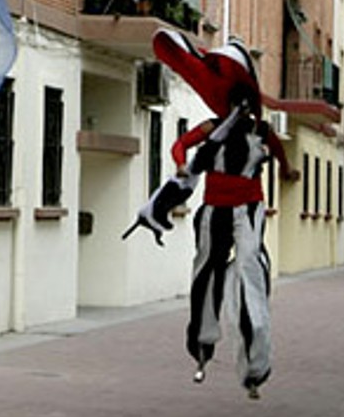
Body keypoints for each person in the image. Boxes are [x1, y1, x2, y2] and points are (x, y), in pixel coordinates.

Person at [124, 34, 296, 397]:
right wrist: (181, 164)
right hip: (215, 209)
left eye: (245, 104)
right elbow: (179, 144)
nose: (241, 109)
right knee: (207, 270)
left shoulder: (261, 131)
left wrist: (287, 170)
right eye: (237, 103)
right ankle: (202, 345)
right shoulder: (212, 129)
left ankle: (255, 363)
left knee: (250, 269)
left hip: (248, 209)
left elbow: (281, 155)